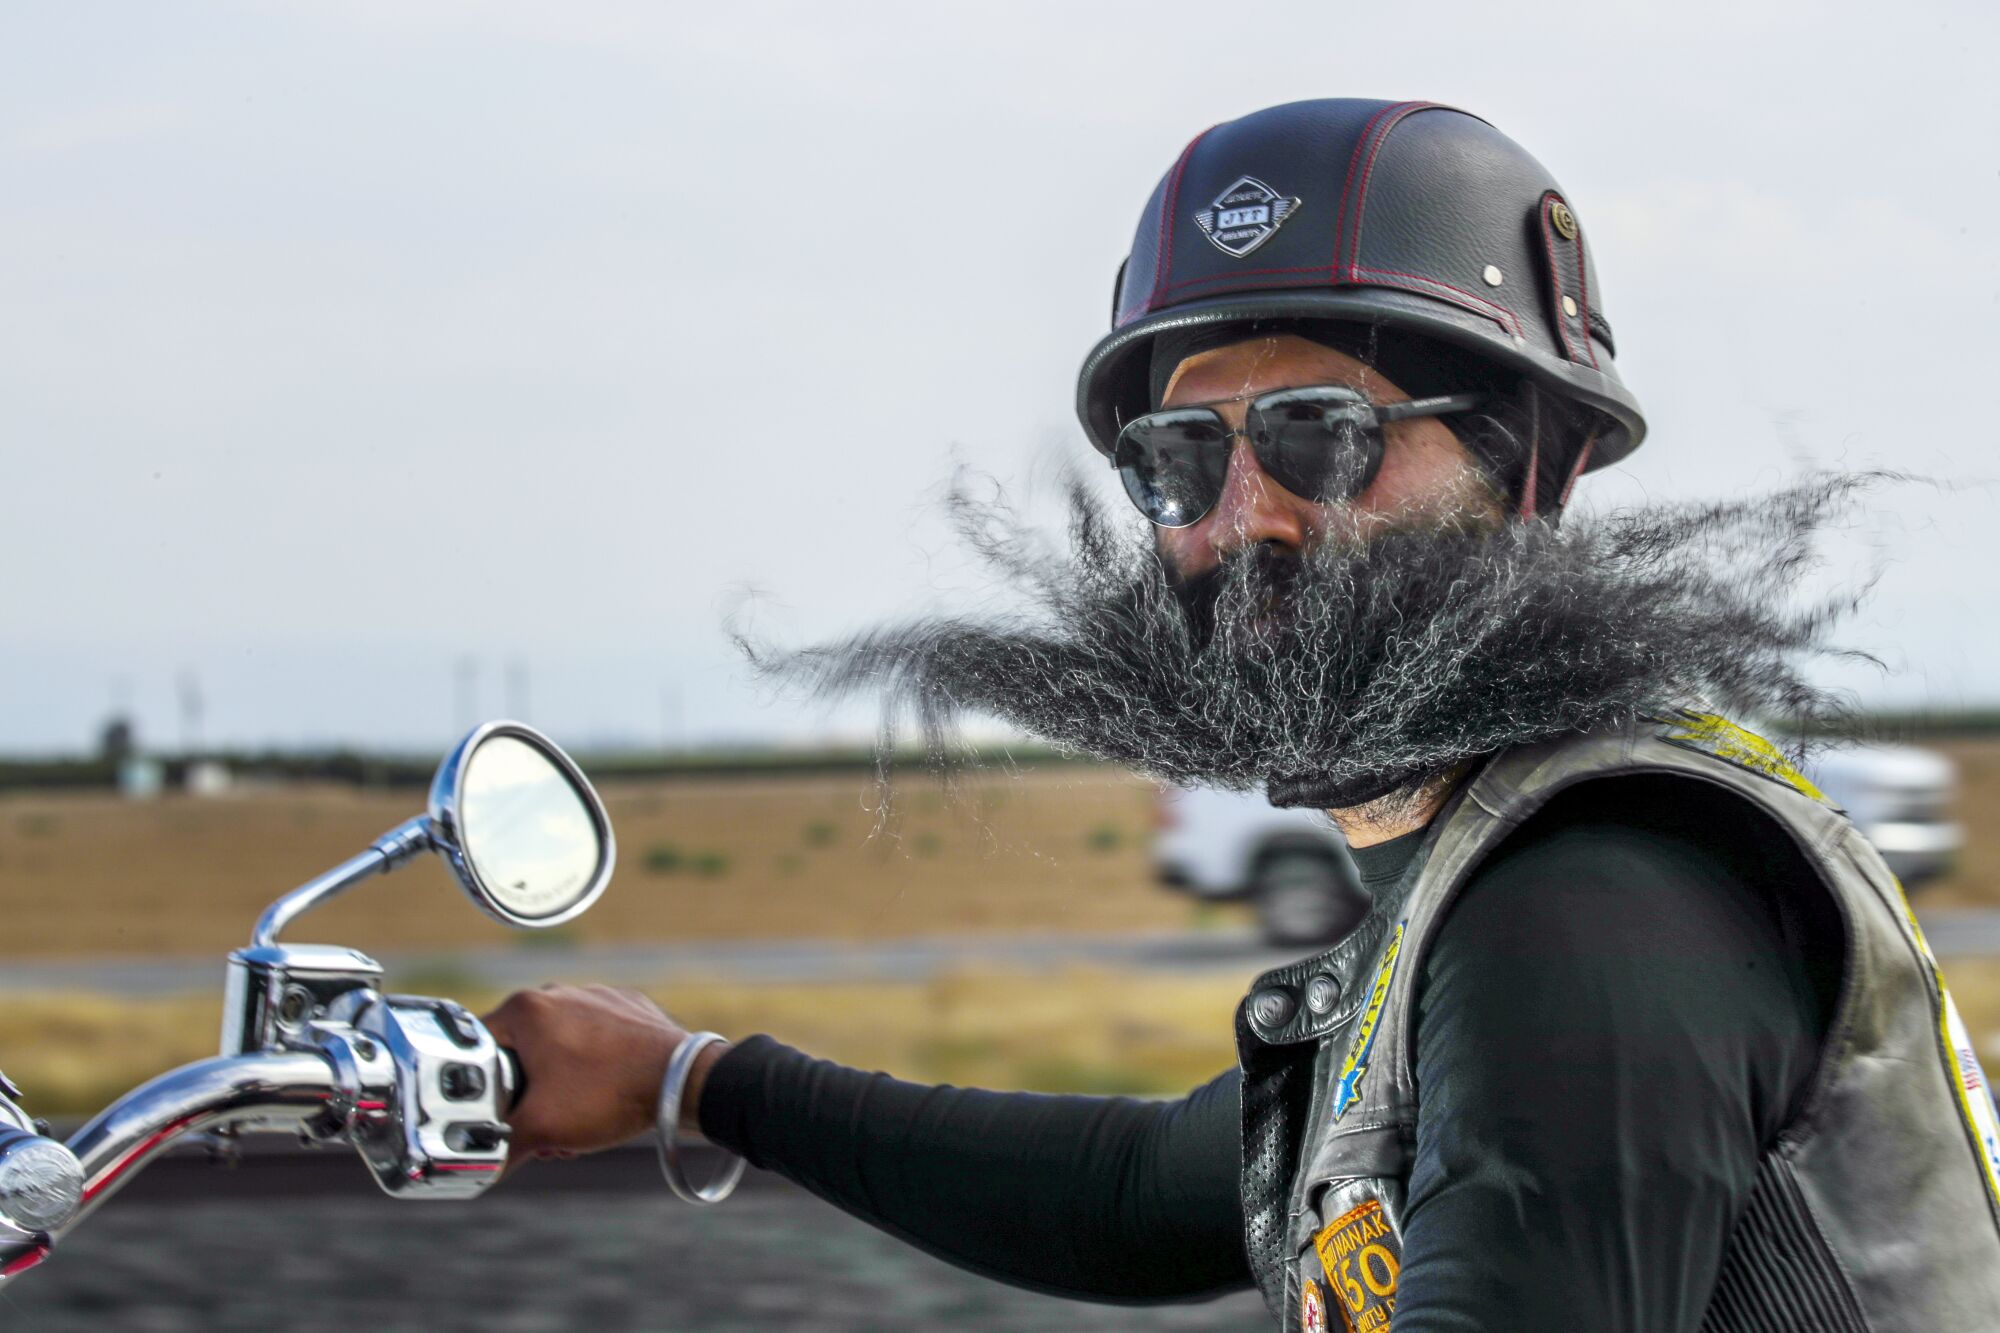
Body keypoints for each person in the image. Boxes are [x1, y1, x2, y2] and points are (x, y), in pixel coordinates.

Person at [484, 100, 2000, 1330]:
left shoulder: (1599, 890)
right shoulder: (1471, 859)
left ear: (1529, 468)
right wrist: (696, 1078)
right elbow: (1150, 1187)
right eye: (1179, 463)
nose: (1244, 515)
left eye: (1321, 436)